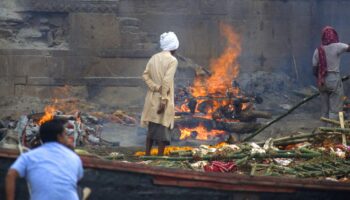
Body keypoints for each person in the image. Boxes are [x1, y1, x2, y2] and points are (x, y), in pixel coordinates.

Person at [6, 119, 84, 200]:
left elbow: (10, 175)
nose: (68, 138)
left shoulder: (29, 156)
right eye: (65, 134)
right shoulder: (74, 157)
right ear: (59, 137)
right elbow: (77, 178)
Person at [141, 31, 179, 156]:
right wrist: (163, 98)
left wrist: (155, 87)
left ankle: (147, 155)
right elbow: (167, 81)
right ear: (173, 47)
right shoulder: (172, 60)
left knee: (152, 128)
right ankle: (159, 158)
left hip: (152, 98)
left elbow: (145, 75)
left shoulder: (154, 57)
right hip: (163, 99)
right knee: (163, 129)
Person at [312, 26, 350, 120]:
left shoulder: (318, 50)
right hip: (333, 79)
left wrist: (321, 77)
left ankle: (323, 130)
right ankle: (331, 132)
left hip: (322, 82)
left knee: (324, 110)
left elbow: (314, 69)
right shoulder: (337, 46)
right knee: (334, 110)